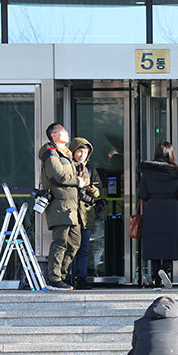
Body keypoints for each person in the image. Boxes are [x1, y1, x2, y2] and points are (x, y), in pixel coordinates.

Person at [37, 123, 86, 290]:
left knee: (74, 243)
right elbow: (58, 175)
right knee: (60, 241)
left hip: (71, 206)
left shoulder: (66, 154)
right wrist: (77, 181)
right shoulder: (50, 154)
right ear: (54, 136)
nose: (67, 133)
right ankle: (54, 278)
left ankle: (62, 276)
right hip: (59, 204)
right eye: (64, 131)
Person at [139, 141, 178, 289]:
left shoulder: (148, 172)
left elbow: (143, 193)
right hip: (172, 210)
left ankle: (156, 280)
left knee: (154, 243)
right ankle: (164, 268)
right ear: (171, 153)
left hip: (153, 208)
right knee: (170, 242)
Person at [66, 137, 101, 290]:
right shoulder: (66, 167)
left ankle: (81, 277)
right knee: (69, 248)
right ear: (73, 151)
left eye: (85, 152)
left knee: (84, 249)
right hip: (70, 214)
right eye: (79, 151)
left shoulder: (90, 169)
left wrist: (92, 190)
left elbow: (98, 192)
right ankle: (65, 277)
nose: (82, 155)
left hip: (86, 216)